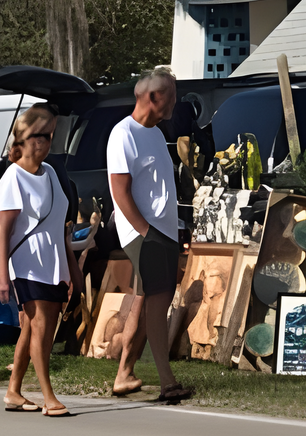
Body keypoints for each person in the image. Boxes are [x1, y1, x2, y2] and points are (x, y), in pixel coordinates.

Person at [108, 66, 191, 403]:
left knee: (147, 299)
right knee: (159, 304)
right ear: (153, 97)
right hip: (144, 233)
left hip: (164, 232)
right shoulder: (123, 134)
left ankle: (124, 373)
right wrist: (146, 231)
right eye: (170, 95)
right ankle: (167, 383)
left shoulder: (156, 133)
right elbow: (120, 191)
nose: (175, 102)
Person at [0, 105, 84, 416]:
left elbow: (60, 229)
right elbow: (3, 231)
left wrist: (72, 267)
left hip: (53, 262)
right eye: (40, 136)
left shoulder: (50, 174)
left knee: (32, 330)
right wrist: (4, 275)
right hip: (26, 262)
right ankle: (48, 395)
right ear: (22, 138)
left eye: (50, 136)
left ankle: (13, 391)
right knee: (41, 325)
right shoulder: (13, 177)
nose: (46, 142)